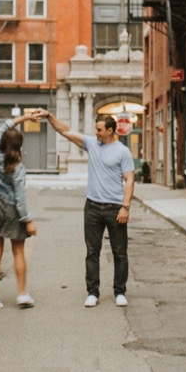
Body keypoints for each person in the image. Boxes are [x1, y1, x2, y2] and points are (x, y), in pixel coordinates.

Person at [43, 110, 135, 307]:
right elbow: (66, 131)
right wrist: (49, 116)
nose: (96, 133)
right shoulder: (92, 144)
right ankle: (92, 292)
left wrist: (125, 207)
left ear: (110, 130)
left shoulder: (122, 152)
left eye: (100, 130)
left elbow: (129, 180)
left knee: (120, 252)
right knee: (92, 251)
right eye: (96, 129)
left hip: (115, 208)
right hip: (92, 207)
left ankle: (120, 292)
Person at [0, 112, 40, 309]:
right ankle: (22, 294)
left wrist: (25, 117)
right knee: (18, 253)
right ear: (19, 146)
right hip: (13, 213)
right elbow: (20, 198)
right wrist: (28, 220)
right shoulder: (18, 169)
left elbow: (2, 127)